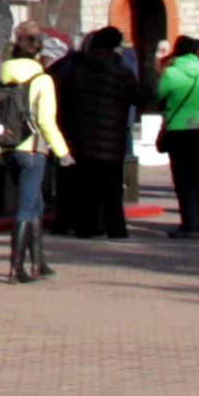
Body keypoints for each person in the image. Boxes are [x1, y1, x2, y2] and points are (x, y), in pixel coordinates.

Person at [0, 24, 65, 282]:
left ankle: (39, 262)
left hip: (8, 149)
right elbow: (46, 120)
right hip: (32, 151)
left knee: (35, 203)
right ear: (38, 56)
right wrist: (63, 151)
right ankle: (16, 268)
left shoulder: (3, 80)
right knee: (25, 206)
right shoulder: (42, 80)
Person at [60, 28, 138, 242]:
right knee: (112, 188)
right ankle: (115, 229)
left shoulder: (80, 68)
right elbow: (138, 96)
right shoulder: (120, 71)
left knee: (87, 187)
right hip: (111, 138)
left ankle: (85, 227)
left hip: (84, 135)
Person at [151, 35, 199, 237]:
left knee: (183, 179)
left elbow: (158, 96)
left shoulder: (170, 72)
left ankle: (190, 224)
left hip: (177, 128)